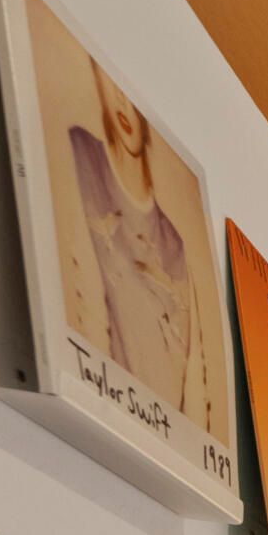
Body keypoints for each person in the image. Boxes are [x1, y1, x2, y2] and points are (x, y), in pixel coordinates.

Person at [59, 55, 213, 432]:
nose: (121, 101)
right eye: (107, 82)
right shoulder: (81, 159)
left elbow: (196, 406)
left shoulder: (177, 245)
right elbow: (88, 325)